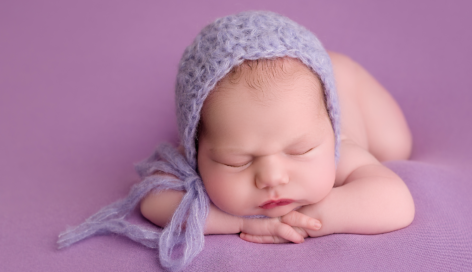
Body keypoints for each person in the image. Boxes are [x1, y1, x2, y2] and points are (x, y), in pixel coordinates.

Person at [58, 10, 414, 271]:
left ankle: (338, 70)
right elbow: (153, 199)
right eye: (237, 160)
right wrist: (242, 222)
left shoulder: (337, 149)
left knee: (395, 148)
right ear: (197, 151)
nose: (273, 176)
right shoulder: (198, 150)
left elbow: (396, 201)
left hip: (349, 90)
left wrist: (310, 216)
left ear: (330, 137)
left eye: (300, 150)